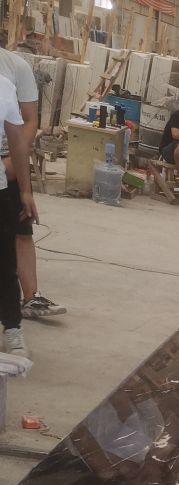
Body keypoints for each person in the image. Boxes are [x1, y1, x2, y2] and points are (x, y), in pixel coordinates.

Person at [0, 46, 66, 319]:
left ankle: (30, 298)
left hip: (8, 159)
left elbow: (29, 121)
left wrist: (14, 162)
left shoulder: (16, 67)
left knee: (21, 227)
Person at [0, 74, 38, 357]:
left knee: (4, 264)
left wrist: (25, 190)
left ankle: (12, 328)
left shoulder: (4, 87)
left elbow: (16, 142)